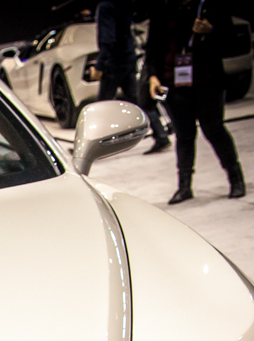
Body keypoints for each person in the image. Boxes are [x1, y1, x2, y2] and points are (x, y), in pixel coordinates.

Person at [145, 0, 245, 204]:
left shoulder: (210, 5)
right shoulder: (164, 7)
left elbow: (232, 43)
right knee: (183, 134)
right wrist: (153, 75)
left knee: (214, 129)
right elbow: (153, 45)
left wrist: (212, 30)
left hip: (207, 79)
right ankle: (184, 187)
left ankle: (235, 178)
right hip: (173, 81)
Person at [84, 0, 169, 153]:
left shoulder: (106, 6)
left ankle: (91, 146)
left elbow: (108, 39)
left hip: (114, 61)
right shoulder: (125, 4)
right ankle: (161, 135)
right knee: (136, 99)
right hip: (128, 57)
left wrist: (100, 65)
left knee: (102, 105)